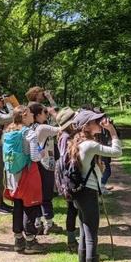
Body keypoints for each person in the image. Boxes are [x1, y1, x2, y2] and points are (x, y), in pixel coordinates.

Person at [68, 109, 122, 262]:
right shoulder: (89, 145)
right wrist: (113, 130)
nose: (101, 122)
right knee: (91, 236)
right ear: (87, 126)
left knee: (84, 233)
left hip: (79, 194)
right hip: (88, 194)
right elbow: (117, 152)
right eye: (96, 121)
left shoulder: (78, 142)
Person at [4, 106, 45, 254]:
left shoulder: (9, 131)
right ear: (24, 116)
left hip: (12, 174)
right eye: (31, 113)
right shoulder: (29, 132)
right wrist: (42, 153)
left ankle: (18, 240)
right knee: (30, 206)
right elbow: (34, 157)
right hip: (27, 173)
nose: (33, 115)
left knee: (18, 205)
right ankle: (30, 242)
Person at [29, 103, 61, 235]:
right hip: (45, 164)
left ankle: (38, 223)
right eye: (44, 112)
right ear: (37, 115)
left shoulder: (32, 126)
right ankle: (49, 224)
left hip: (36, 164)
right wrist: (55, 114)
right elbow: (62, 128)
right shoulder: (42, 128)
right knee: (46, 195)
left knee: (38, 194)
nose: (46, 114)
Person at [56, 107, 79, 252]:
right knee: (72, 209)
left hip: (68, 175)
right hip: (68, 176)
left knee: (74, 209)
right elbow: (66, 157)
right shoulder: (65, 137)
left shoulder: (68, 134)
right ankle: (71, 241)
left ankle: (73, 238)